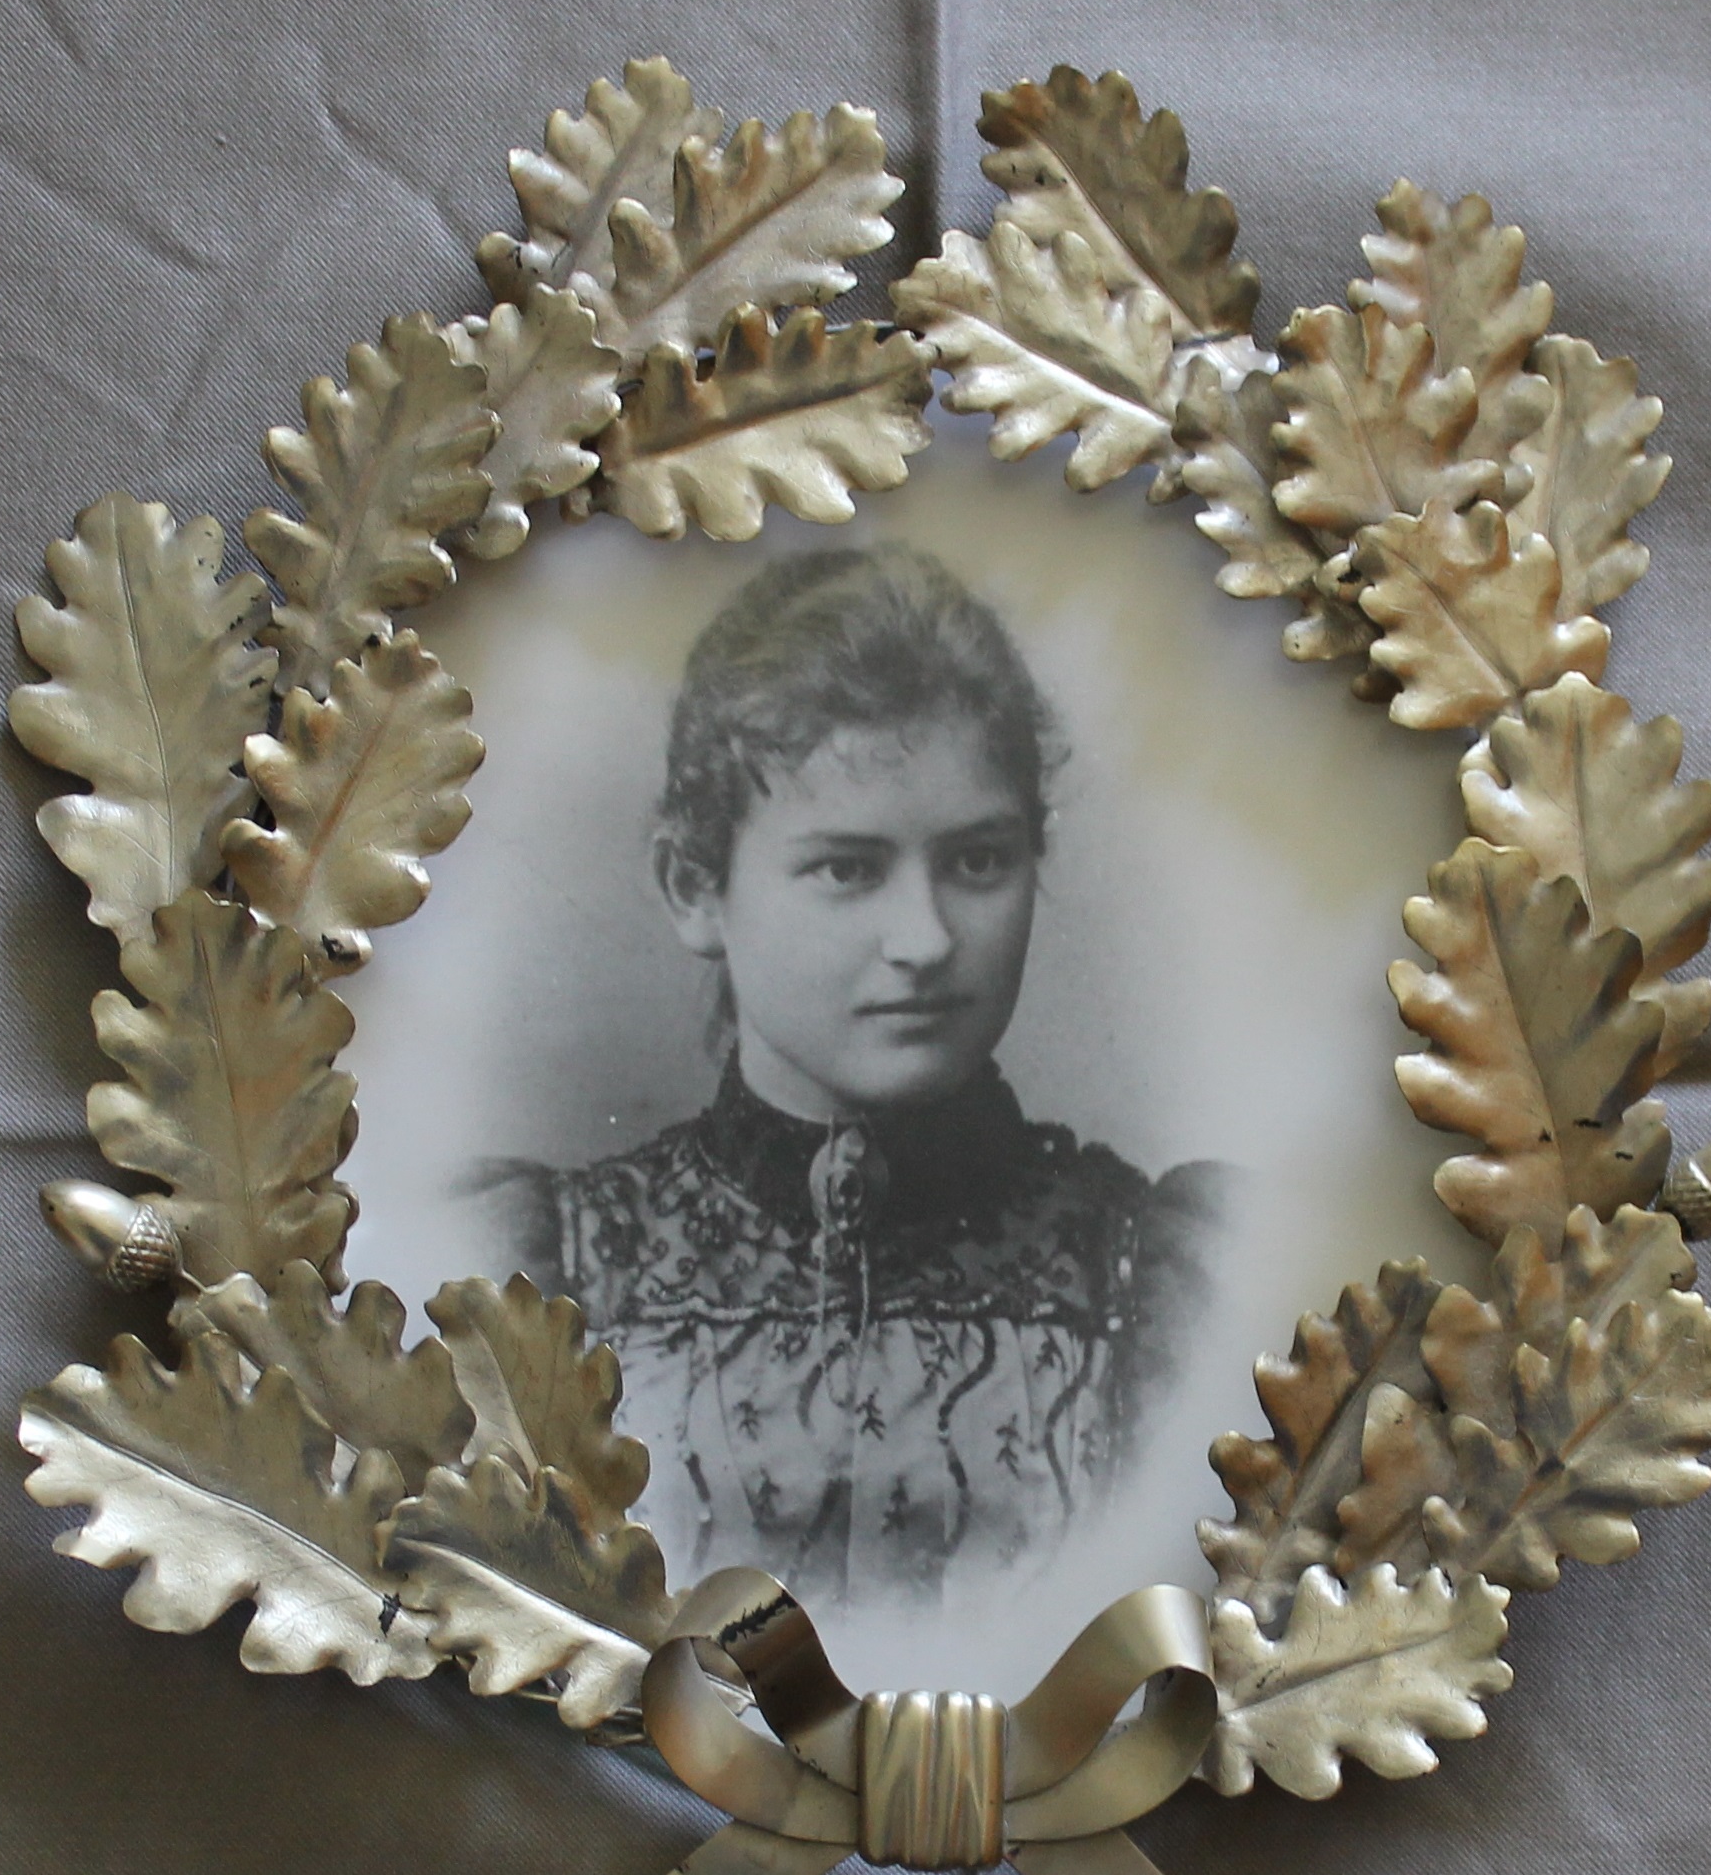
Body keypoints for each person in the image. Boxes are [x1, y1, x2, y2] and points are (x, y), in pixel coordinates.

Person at [487, 543, 1221, 1611]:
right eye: (847, 868)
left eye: (978, 860)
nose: (925, 939)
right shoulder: (546, 1273)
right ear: (694, 887)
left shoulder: (1156, 1280)